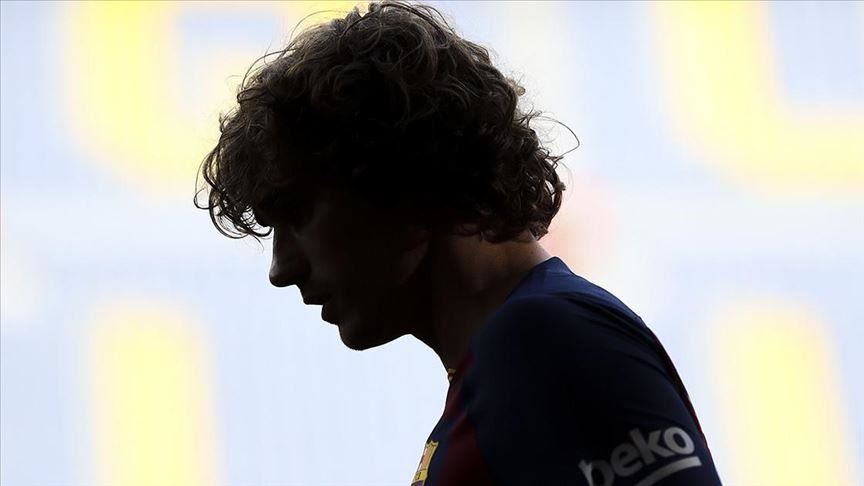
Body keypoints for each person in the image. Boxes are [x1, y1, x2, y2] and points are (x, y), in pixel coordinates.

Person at [194, 1, 722, 484]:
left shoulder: (547, 338)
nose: (282, 268)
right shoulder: (510, 361)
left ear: (402, 181)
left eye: (298, 215)